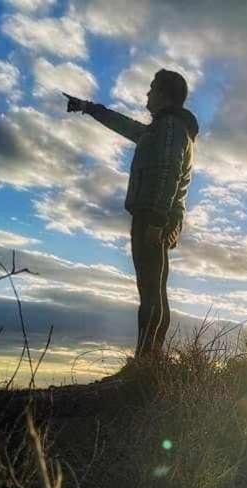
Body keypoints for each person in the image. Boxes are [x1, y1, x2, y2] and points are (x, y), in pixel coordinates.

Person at [64, 70, 199, 359]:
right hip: (154, 214)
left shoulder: (171, 128)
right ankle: (148, 357)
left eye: (152, 89)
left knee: (151, 290)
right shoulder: (162, 128)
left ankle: (147, 359)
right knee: (151, 288)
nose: (147, 94)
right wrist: (89, 108)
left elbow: (169, 173)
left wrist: (157, 221)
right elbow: (126, 127)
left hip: (153, 215)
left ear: (165, 94)